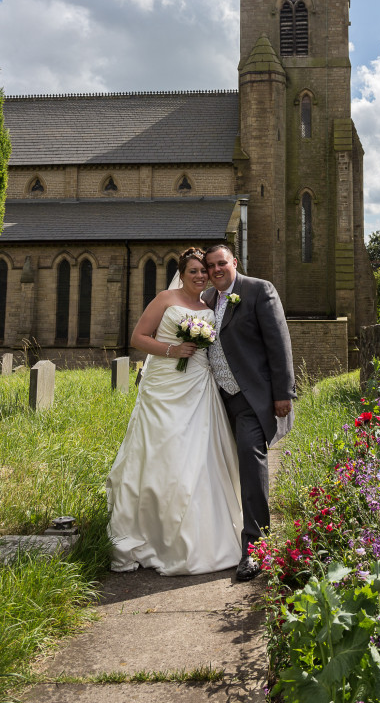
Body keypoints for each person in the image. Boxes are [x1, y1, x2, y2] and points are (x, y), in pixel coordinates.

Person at [106, 247, 242, 575]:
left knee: (197, 454)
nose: (200, 276)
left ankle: (196, 535)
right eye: (193, 271)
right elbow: (138, 337)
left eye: (203, 271)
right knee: (159, 452)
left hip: (198, 384)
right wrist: (173, 349)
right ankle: (149, 531)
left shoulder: (209, 304)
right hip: (163, 385)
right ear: (181, 273)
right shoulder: (166, 299)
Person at [203, 243, 295, 581]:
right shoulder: (206, 302)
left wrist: (283, 393)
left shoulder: (258, 290)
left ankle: (256, 549)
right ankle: (219, 538)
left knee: (251, 463)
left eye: (221, 263)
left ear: (234, 262)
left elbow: (279, 342)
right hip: (213, 401)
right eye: (210, 265)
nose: (215, 270)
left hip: (249, 399)